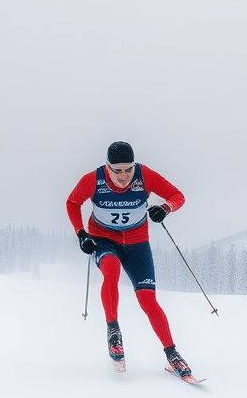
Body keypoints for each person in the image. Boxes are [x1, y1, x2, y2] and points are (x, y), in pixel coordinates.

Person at [66, 141, 192, 376]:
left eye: (128, 169)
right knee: (111, 271)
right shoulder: (92, 180)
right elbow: (72, 202)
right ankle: (113, 330)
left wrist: (165, 208)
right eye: (117, 170)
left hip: (136, 242)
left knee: (147, 299)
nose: (124, 176)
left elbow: (178, 196)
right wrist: (81, 234)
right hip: (103, 239)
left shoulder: (145, 176)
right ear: (107, 167)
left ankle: (172, 353)